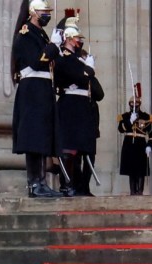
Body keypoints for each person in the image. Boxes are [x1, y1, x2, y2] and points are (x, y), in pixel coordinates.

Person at [11, 0, 60, 198]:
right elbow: (38, 61)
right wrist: (53, 47)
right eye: (43, 11)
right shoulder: (26, 34)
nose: (47, 14)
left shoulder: (40, 34)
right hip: (32, 91)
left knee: (42, 137)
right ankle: (35, 183)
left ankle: (41, 181)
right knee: (34, 138)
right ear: (33, 12)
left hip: (43, 89)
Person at [53, 13, 101, 197]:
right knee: (69, 148)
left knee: (84, 148)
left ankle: (82, 187)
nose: (79, 41)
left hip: (83, 107)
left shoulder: (77, 59)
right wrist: (88, 69)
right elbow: (79, 76)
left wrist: (86, 70)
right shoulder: (63, 57)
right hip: (70, 105)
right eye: (77, 38)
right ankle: (67, 184)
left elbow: (96, 90)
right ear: (69, 39)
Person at [118, 84, 152, 195]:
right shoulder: (124, 116)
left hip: (140, 144)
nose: (134, 105)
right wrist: (130, 121)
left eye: (136, 103)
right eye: (132, 103)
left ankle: (140, 192)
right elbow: (121, 129)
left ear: (140, 104)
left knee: (140, 171)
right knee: (131, 170)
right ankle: (132, 192)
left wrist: (149, 145)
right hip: (129, 144)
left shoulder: (147, 117)